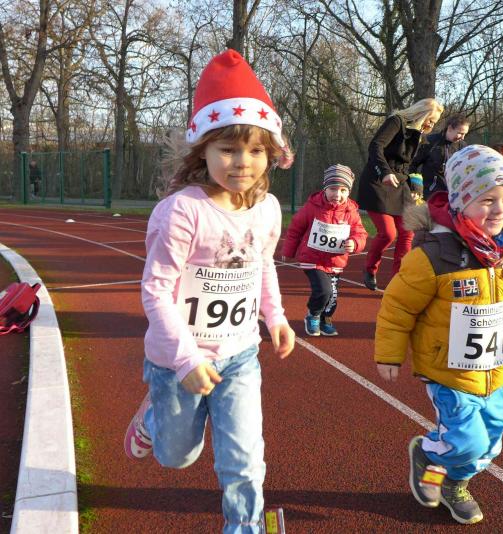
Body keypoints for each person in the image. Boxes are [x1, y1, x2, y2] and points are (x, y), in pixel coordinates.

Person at [123, 49, 296, 533]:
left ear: (271, 153)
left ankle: (245, 525)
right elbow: (156, 291)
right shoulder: (183, 211)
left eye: (256, 151)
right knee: (177, 455)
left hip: (240, 354)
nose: (243, 163)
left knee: (244, 458)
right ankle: (153, 418)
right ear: (203, 150)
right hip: (178, 359)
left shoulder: (268, 208)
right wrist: (184, 360)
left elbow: (262, 264)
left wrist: (276, 317)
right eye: (228, 150)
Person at [373, 145, 503, 525]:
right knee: (465, 441)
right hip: (449, 374)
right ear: (461, 201)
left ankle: (451, 483)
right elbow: (398, 306)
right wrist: (389, 354)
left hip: (497, 373)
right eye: (487, 200)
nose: (500, 209)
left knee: (490, 443)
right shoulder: (433, 256)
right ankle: (427, 453)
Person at [357, 98, 444, 290]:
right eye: (431, 120)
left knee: (407, 233)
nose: (431, 125)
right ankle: (370, 268)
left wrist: (416, 188)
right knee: (388, 233)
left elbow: (412, 165)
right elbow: (375, 147)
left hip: (400, 184)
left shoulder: (419, 135)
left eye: (434, 123)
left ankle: (398, 279)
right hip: (378, 181)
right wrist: (385, 172)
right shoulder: (396, 121)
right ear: (422, 114)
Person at [281, 164, 368, 336]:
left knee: (332, 297)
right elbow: (296, 228)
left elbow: (360, 233)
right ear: (325, 188)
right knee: (323, 290)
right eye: (333, 189)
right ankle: (313, 315)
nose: (337, 194)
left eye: (343, 190)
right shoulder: (312, 206)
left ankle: (325, 319)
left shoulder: (351, 211)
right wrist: (288, 251)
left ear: (349, 192)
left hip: (336, 262)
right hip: (313, 258)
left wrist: (355, 243)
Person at [409, 113, 470, 199]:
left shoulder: (463, 146)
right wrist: (414, 186)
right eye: (460, 133)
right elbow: (412, 164)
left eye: (465, 134)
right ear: (450, 128)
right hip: (430, 194)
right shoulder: (429, 141)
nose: (463, 137)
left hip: (452, 196)